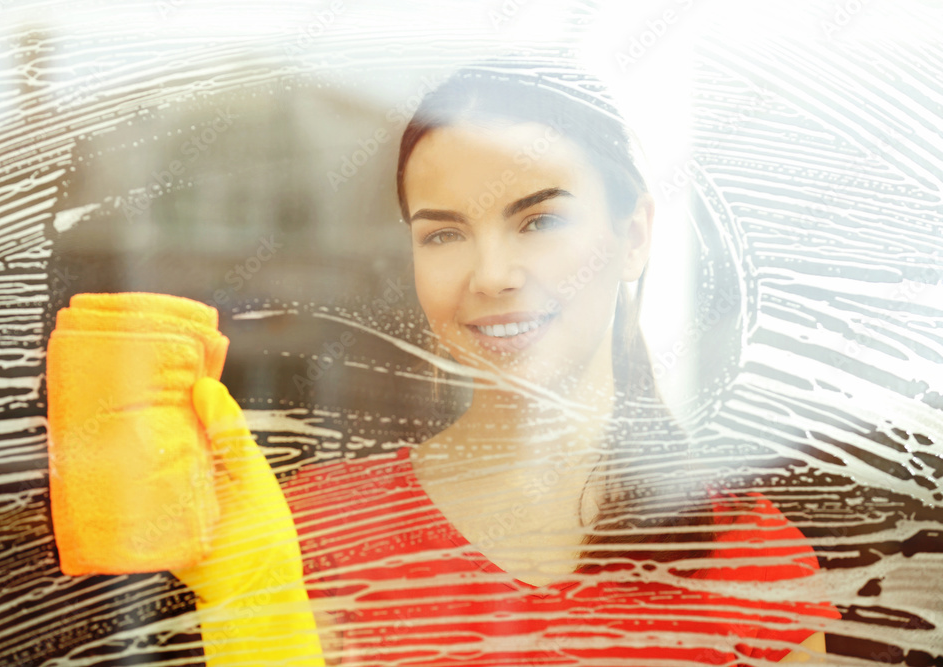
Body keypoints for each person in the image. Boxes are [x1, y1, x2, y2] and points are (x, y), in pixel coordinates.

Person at [178, 60, 839, 665]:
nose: (491, 274)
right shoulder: (310, 531)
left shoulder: (750, 561)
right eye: (443, 234)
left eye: (539, 221)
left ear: (633, 237)